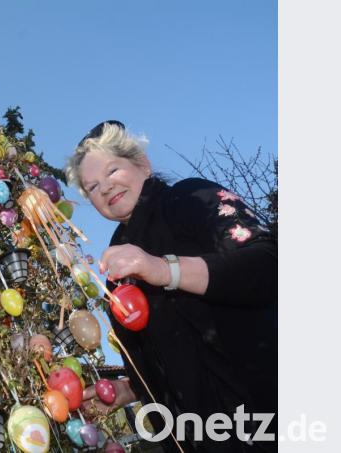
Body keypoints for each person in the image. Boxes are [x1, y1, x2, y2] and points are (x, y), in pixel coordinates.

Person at [64, 121, 276, 452]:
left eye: (113, 170)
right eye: (92, 187)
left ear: (142, 164)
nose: (104, 188)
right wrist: (131, 389)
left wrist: (165, 270)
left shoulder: (189, 198)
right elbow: (165, 357)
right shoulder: (117, 271)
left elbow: (267, 263)